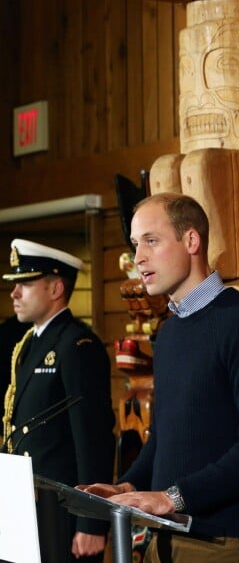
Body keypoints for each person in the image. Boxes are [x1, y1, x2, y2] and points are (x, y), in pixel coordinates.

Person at [81, 192, 239, 562]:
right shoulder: (172, 332)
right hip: (168, 538)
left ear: (191, 240)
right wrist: (126, 485)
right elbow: (164, 437)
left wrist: (171, 497)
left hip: (225, 543)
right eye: (134, 244)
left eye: (151, 240)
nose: (138, 257)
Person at [1, 238, 115, 563]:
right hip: (28, 506)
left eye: (25, 284)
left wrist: (91, 521)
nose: (14, 293)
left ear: (55, 289)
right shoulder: (29, 343)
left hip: (60, 512)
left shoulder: (77, 345)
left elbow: (92, 439)